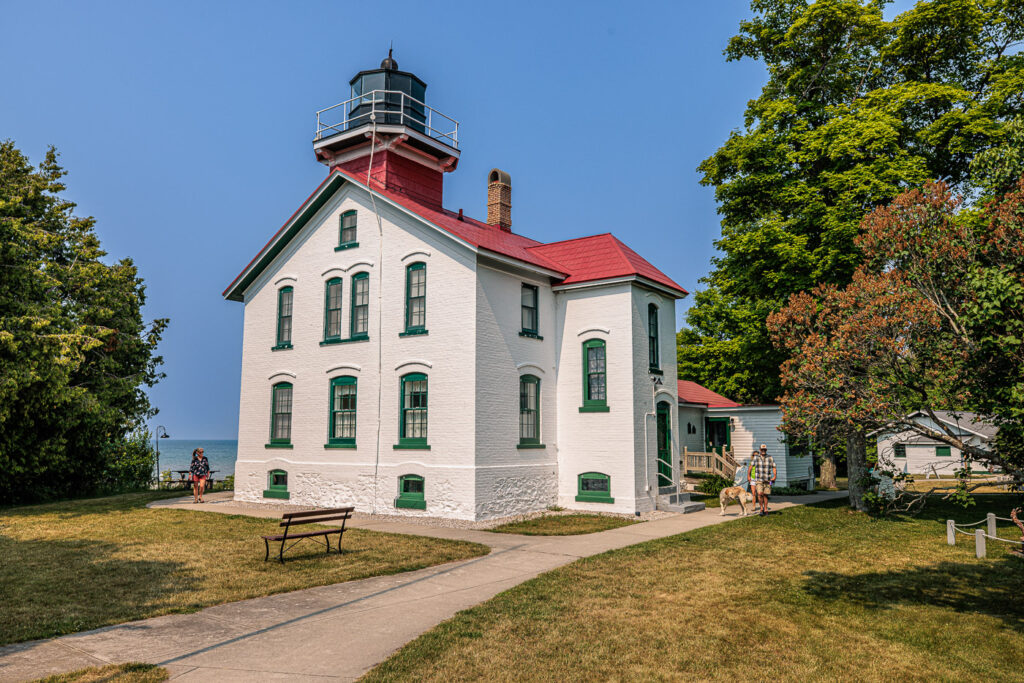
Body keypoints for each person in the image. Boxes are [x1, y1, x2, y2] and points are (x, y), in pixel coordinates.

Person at [750, 443, 776, 516]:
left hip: (768, 480)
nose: (763, 451)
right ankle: (761, 508)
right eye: (762, 449)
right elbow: (751, 466)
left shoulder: (770, 457)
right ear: (760, 450)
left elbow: (774, 467)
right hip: (759, 479)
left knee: (765, 495)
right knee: (760, 493)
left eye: (764, 449)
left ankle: (765, 509)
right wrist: (749, 476)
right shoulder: (756, 458)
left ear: (766, 450)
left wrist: (774, 476)